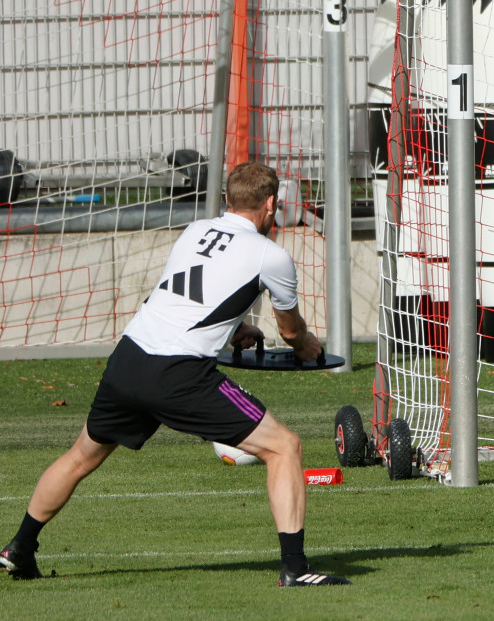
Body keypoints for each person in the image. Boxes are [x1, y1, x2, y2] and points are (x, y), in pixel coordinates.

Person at [0, 162, 351, 585]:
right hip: (179, 373)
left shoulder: (193, 232)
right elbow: (291, 329)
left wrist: (236, 328)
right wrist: (305, 345)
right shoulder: (270, 255)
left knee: (80, 457)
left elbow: (180, 295)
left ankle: (18, 548)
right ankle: (296, 569)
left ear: (227, 199)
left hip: (129, 358)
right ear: (271, 204)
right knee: (284, 447)